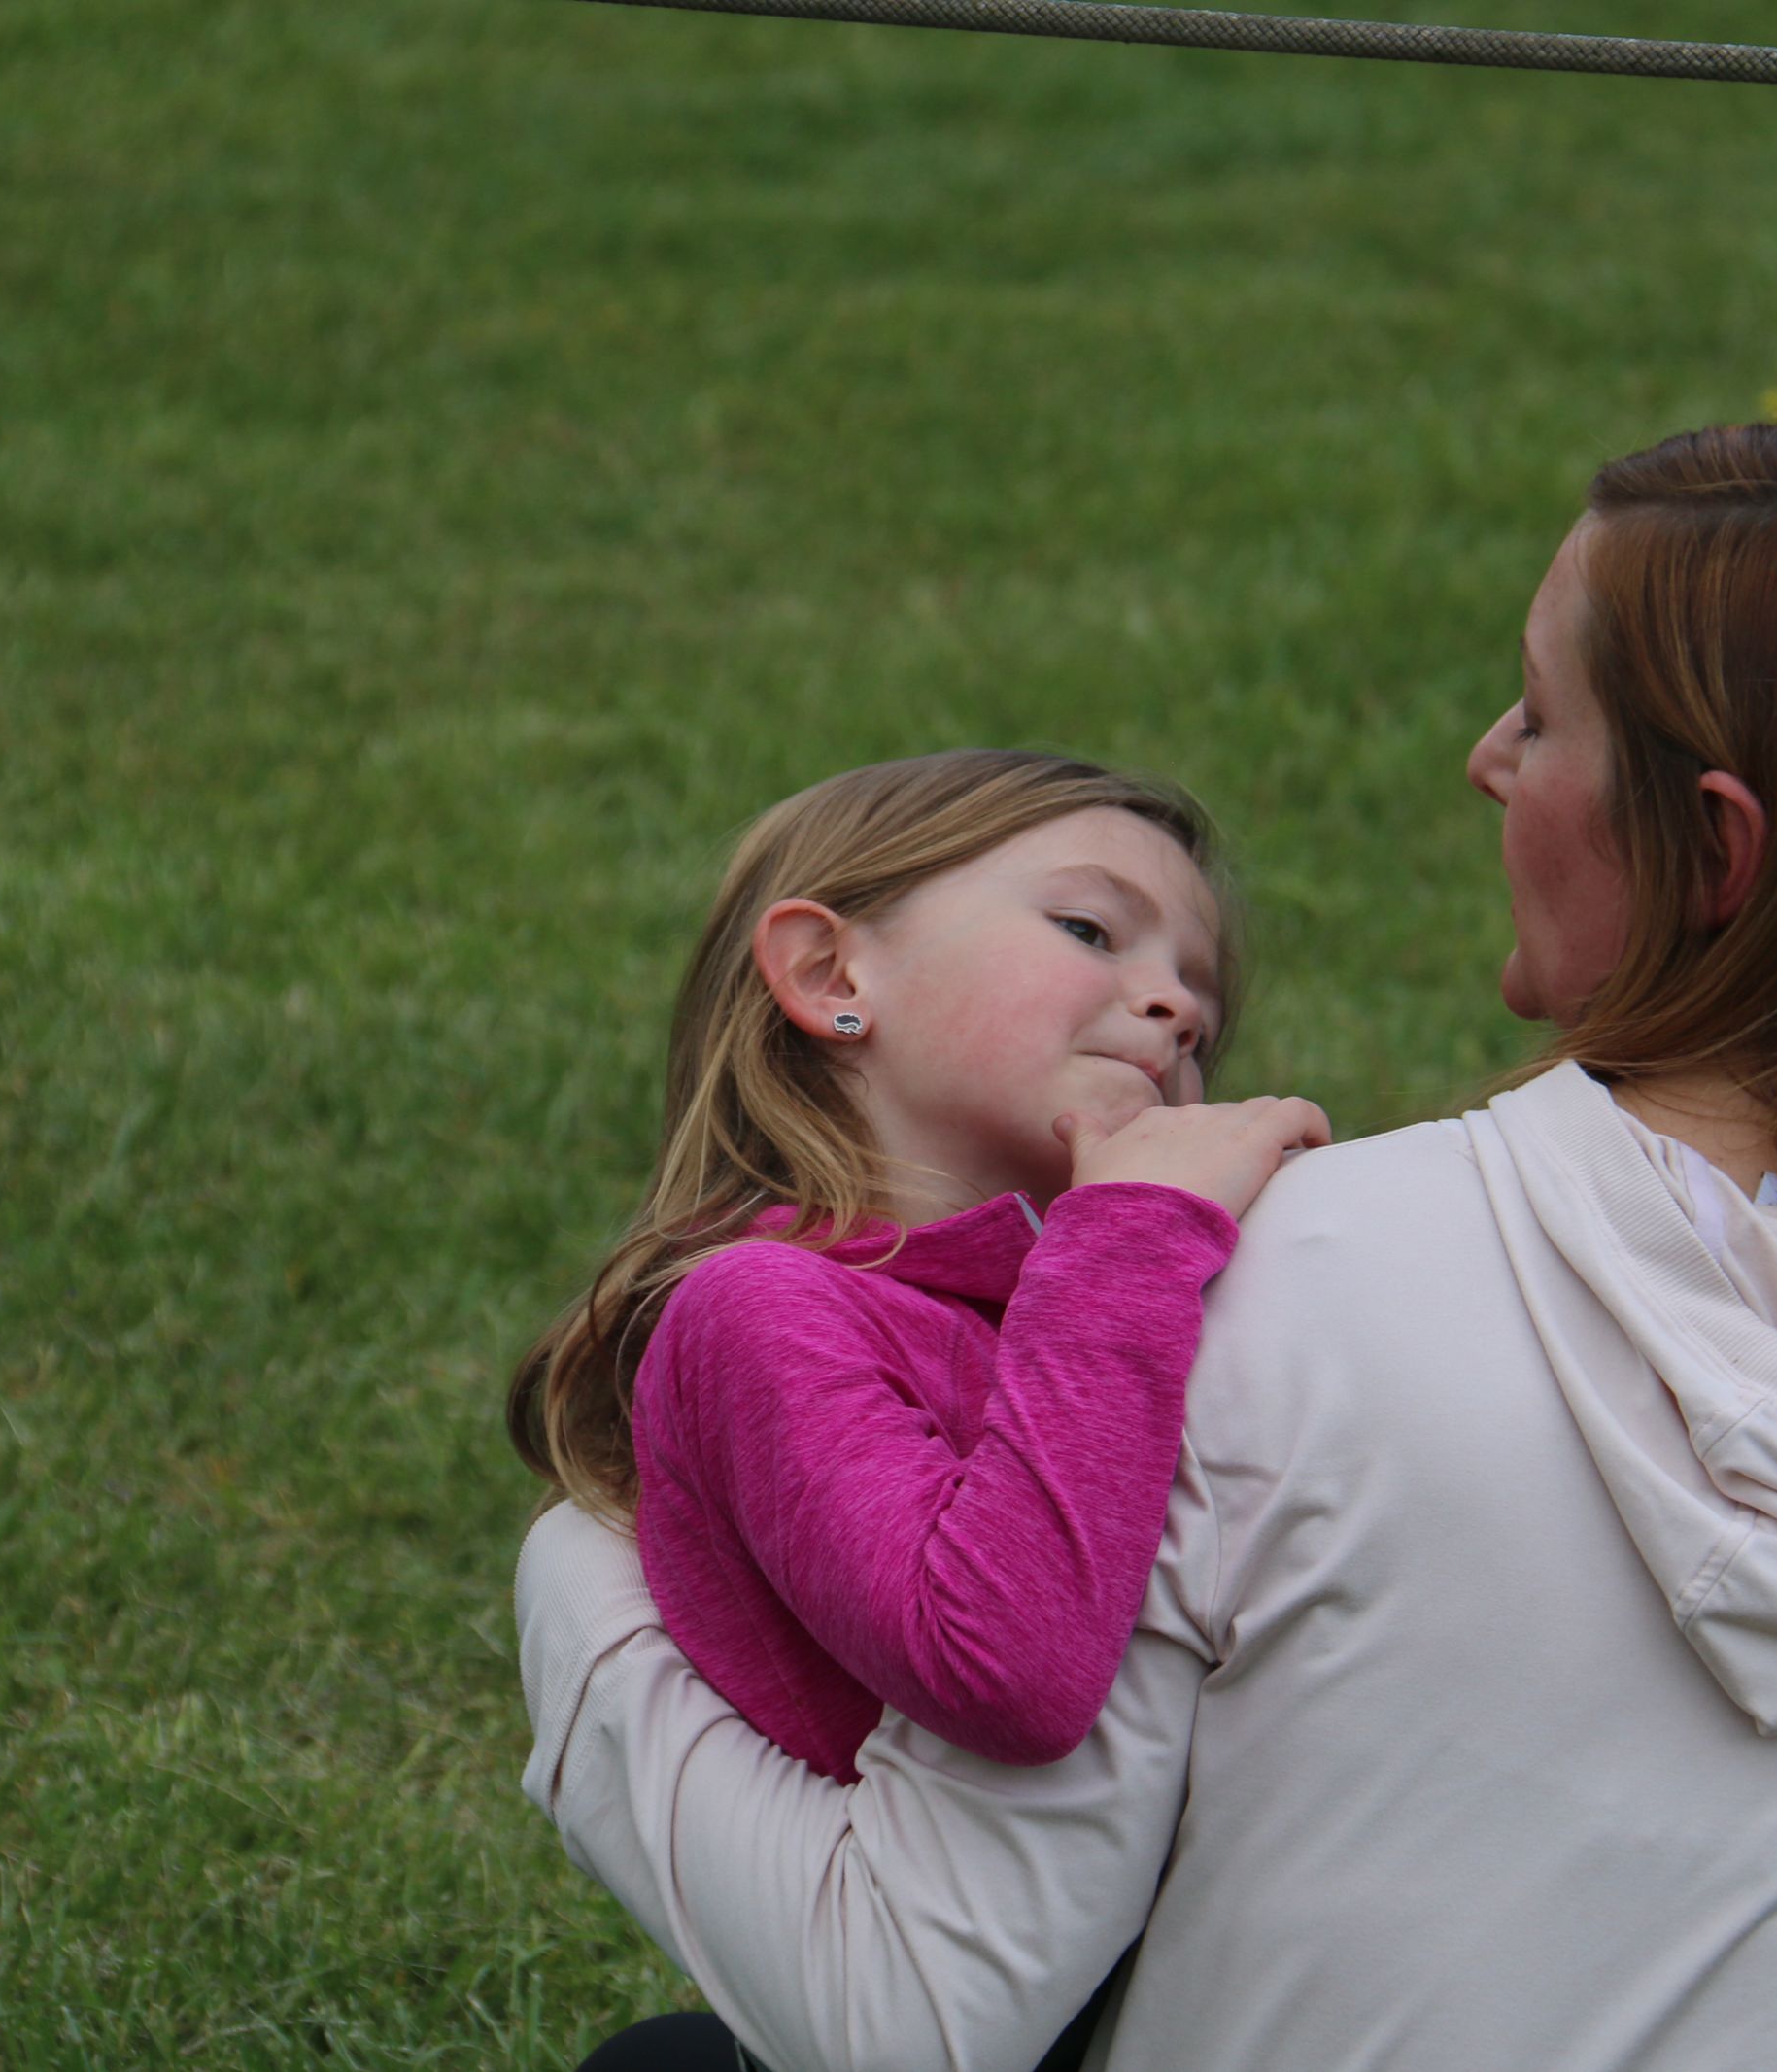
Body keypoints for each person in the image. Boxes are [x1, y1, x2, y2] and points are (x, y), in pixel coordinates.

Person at [514, 425, 1777, 2072]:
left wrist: (583, 1611)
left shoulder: (1242, 1279)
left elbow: (916, 2012)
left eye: (1539, 719)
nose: (1485, 759)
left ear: (1713, 852)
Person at [507, 751, 1331, 2069]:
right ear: (831, 975)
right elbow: (1001, 1669)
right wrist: (1126, 1236)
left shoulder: (1083, 1301)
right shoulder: (760, 1310)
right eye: (1090, 929)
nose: (1177, 1007)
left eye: (1204, 1005)